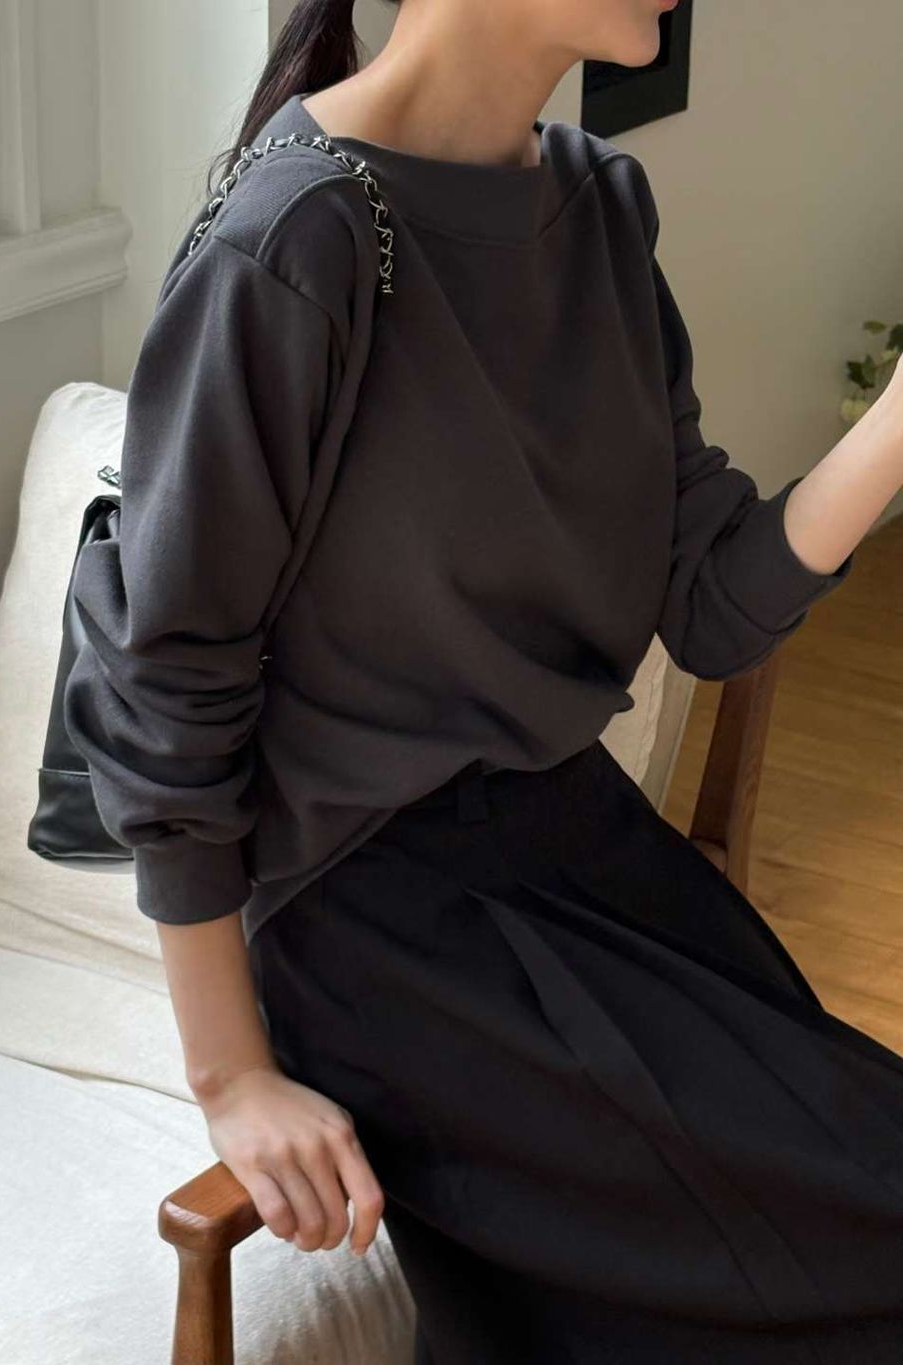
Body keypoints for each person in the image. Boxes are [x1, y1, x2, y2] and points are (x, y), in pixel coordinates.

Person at [63, 0, 903, 1359]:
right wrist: (231, 1077)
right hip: (384, 931)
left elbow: (709, 605)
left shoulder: (600, 206)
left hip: (586, 857)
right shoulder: (297, 239)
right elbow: (167, 678)